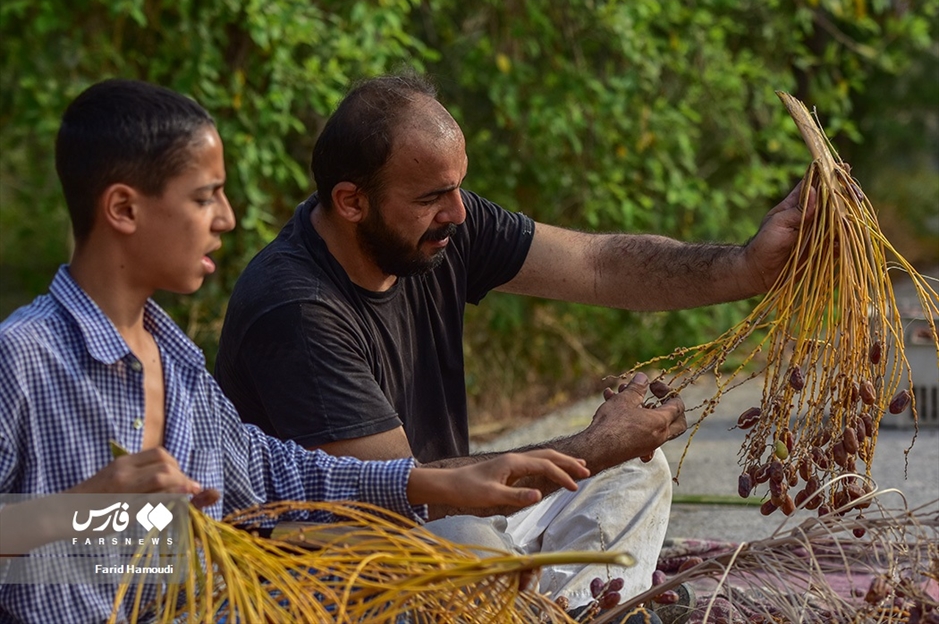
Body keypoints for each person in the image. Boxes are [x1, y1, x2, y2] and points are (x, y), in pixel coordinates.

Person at [0, 78, 595, 624]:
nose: (227, 219)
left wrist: (438, 483)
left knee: (438, 570)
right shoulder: (22, 359)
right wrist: (82, 510)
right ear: (124, 209)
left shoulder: (178, 364)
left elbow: (274, 471)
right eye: (205, 198)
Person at [215, 73, 812, 609]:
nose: (458, 213)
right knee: (467, 542)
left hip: (450, 514)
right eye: (430, 198)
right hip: (334, 559)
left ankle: (578, 608)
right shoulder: (295, 306)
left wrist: (746, 267)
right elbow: (391, 492)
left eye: (457, 188)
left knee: (635, 470)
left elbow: (601, 263)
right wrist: (593, 443)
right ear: (351, 201)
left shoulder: (439, 229)